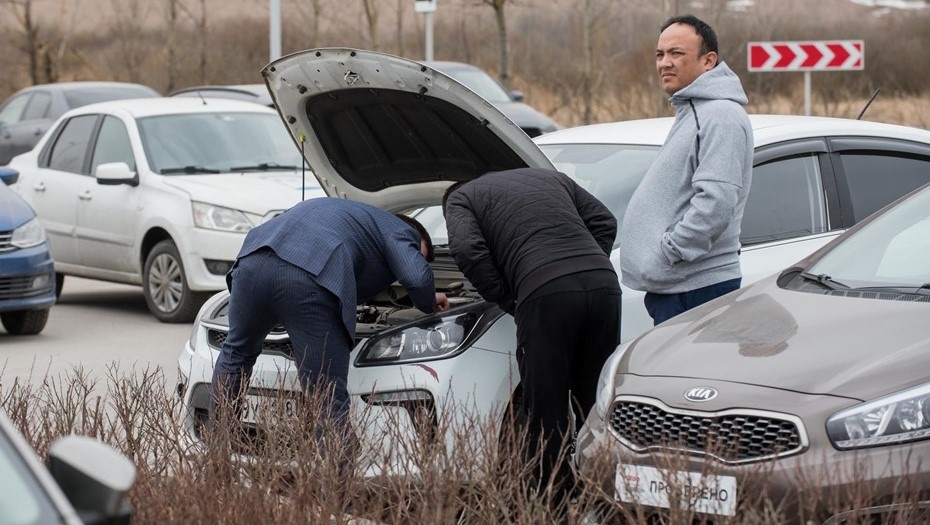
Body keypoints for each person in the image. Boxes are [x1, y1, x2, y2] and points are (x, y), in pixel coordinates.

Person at [443, 167, 620, 507]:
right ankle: (603, 499)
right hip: (604, 286)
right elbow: (605, 222)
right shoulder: (550, 177)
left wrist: (511, 297)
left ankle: (551, 503)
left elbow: (466, 249)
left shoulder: (459, 199)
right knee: (596, 403)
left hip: (545, 293)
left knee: (546, 406)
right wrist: (586, 265)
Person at [209, 197, 450, 441]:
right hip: (306, 279)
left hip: (251, 263)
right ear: (415, 237)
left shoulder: (344, 214)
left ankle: (217, 450)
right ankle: (335, 473)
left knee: (236, 354)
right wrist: (429, 300)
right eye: (418, 256)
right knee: (326, 390)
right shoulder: (399, 229)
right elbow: (418, 279)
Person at [619, 14, 754, 326]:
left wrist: (671, 252)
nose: (665, 63)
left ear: (708, 61)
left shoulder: (720, 115)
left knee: (687, 375)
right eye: (660, 54)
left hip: (696, 287)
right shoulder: (693, 111)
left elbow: (717, 201)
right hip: (679, 286)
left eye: (676, 53)